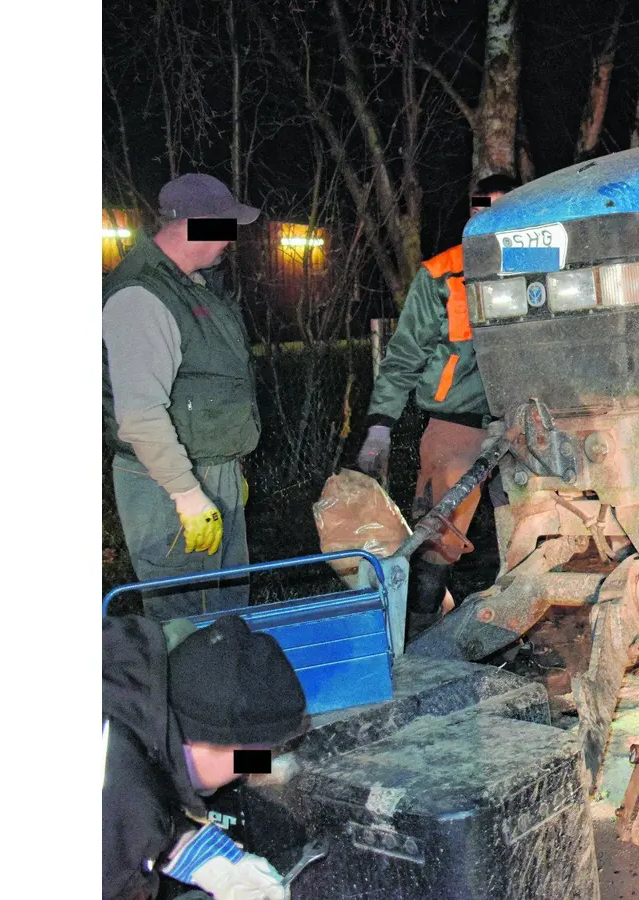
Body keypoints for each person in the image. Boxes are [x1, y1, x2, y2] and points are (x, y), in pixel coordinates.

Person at [355, 174, 516, 640]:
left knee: (528, 527)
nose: (486, 217)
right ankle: (418, 634)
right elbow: (404, 355)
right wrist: (380, 425)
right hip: (457, 424)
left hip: (526, 421)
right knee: (437, 533)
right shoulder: (442, 275)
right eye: (480, 207)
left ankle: (514, 627)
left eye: (500, 209)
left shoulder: (543, 266)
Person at [104, 173, 261, 619]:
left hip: (211, 471)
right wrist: (186, 492)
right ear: (195, 223)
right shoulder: (141, 296)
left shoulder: (193, 284)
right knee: (189, 621)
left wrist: (227, 461)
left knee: (227, 613)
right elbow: (139, 414)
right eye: (225, 225)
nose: (230, 239)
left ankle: (225, 688)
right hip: (169, 485)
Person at [103, 614, 308, 900]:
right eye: (252, 756)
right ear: (217, 740)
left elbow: (156, 778)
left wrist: (203, 856)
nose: (245, 770)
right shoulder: (121, 799)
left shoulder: (126, 687)